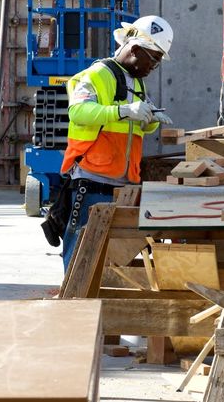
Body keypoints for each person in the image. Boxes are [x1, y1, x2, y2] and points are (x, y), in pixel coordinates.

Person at [58, 15, 174, 271]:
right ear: (135, 50)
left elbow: (133, 126)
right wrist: (123, 111)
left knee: (112, 256)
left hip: (123, 183)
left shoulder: (137, 82)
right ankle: (71, 294)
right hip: (92, 179)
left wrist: (151, 120)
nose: (154, 67)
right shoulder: (98, 74)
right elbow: (78, 112)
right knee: (81, 251)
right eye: (153, 59)